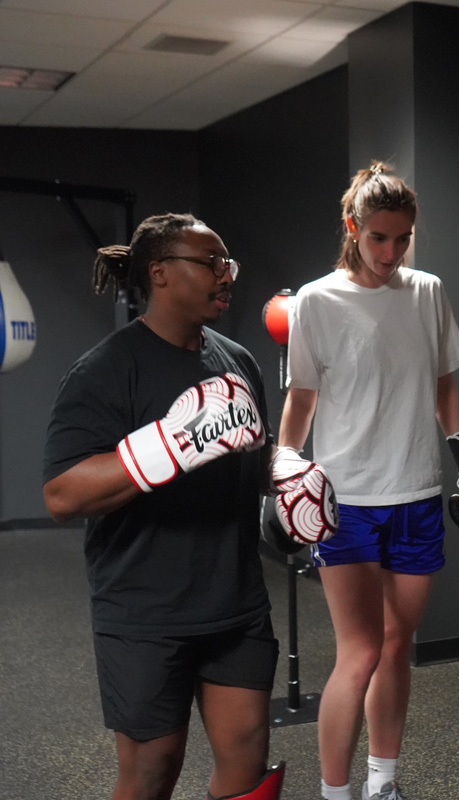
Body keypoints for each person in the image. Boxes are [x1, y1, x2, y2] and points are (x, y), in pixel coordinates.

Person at [42, 213, 287, 800]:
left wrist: (291, 476)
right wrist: (169, 445)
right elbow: (62, 493)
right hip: (145, 610)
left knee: (248, 756)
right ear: (160, 272)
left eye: (228, 263)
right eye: (211, 263)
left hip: (234, 599)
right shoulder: (104, 369)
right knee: (154, 767)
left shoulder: (238, 361)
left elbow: (248, 455)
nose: (226, 276)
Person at [278, 163, 459, 800]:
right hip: (346, 499)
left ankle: (383, 783)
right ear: (353, 227)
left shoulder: (426, 292)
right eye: (379, 238)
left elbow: (443, 385)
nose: (391, 252)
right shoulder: (316, 300)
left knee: (398, 645)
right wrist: (283, 470)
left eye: (402, 239)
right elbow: (302, 398)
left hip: (417, 492)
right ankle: (334, 793)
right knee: (361, 651)